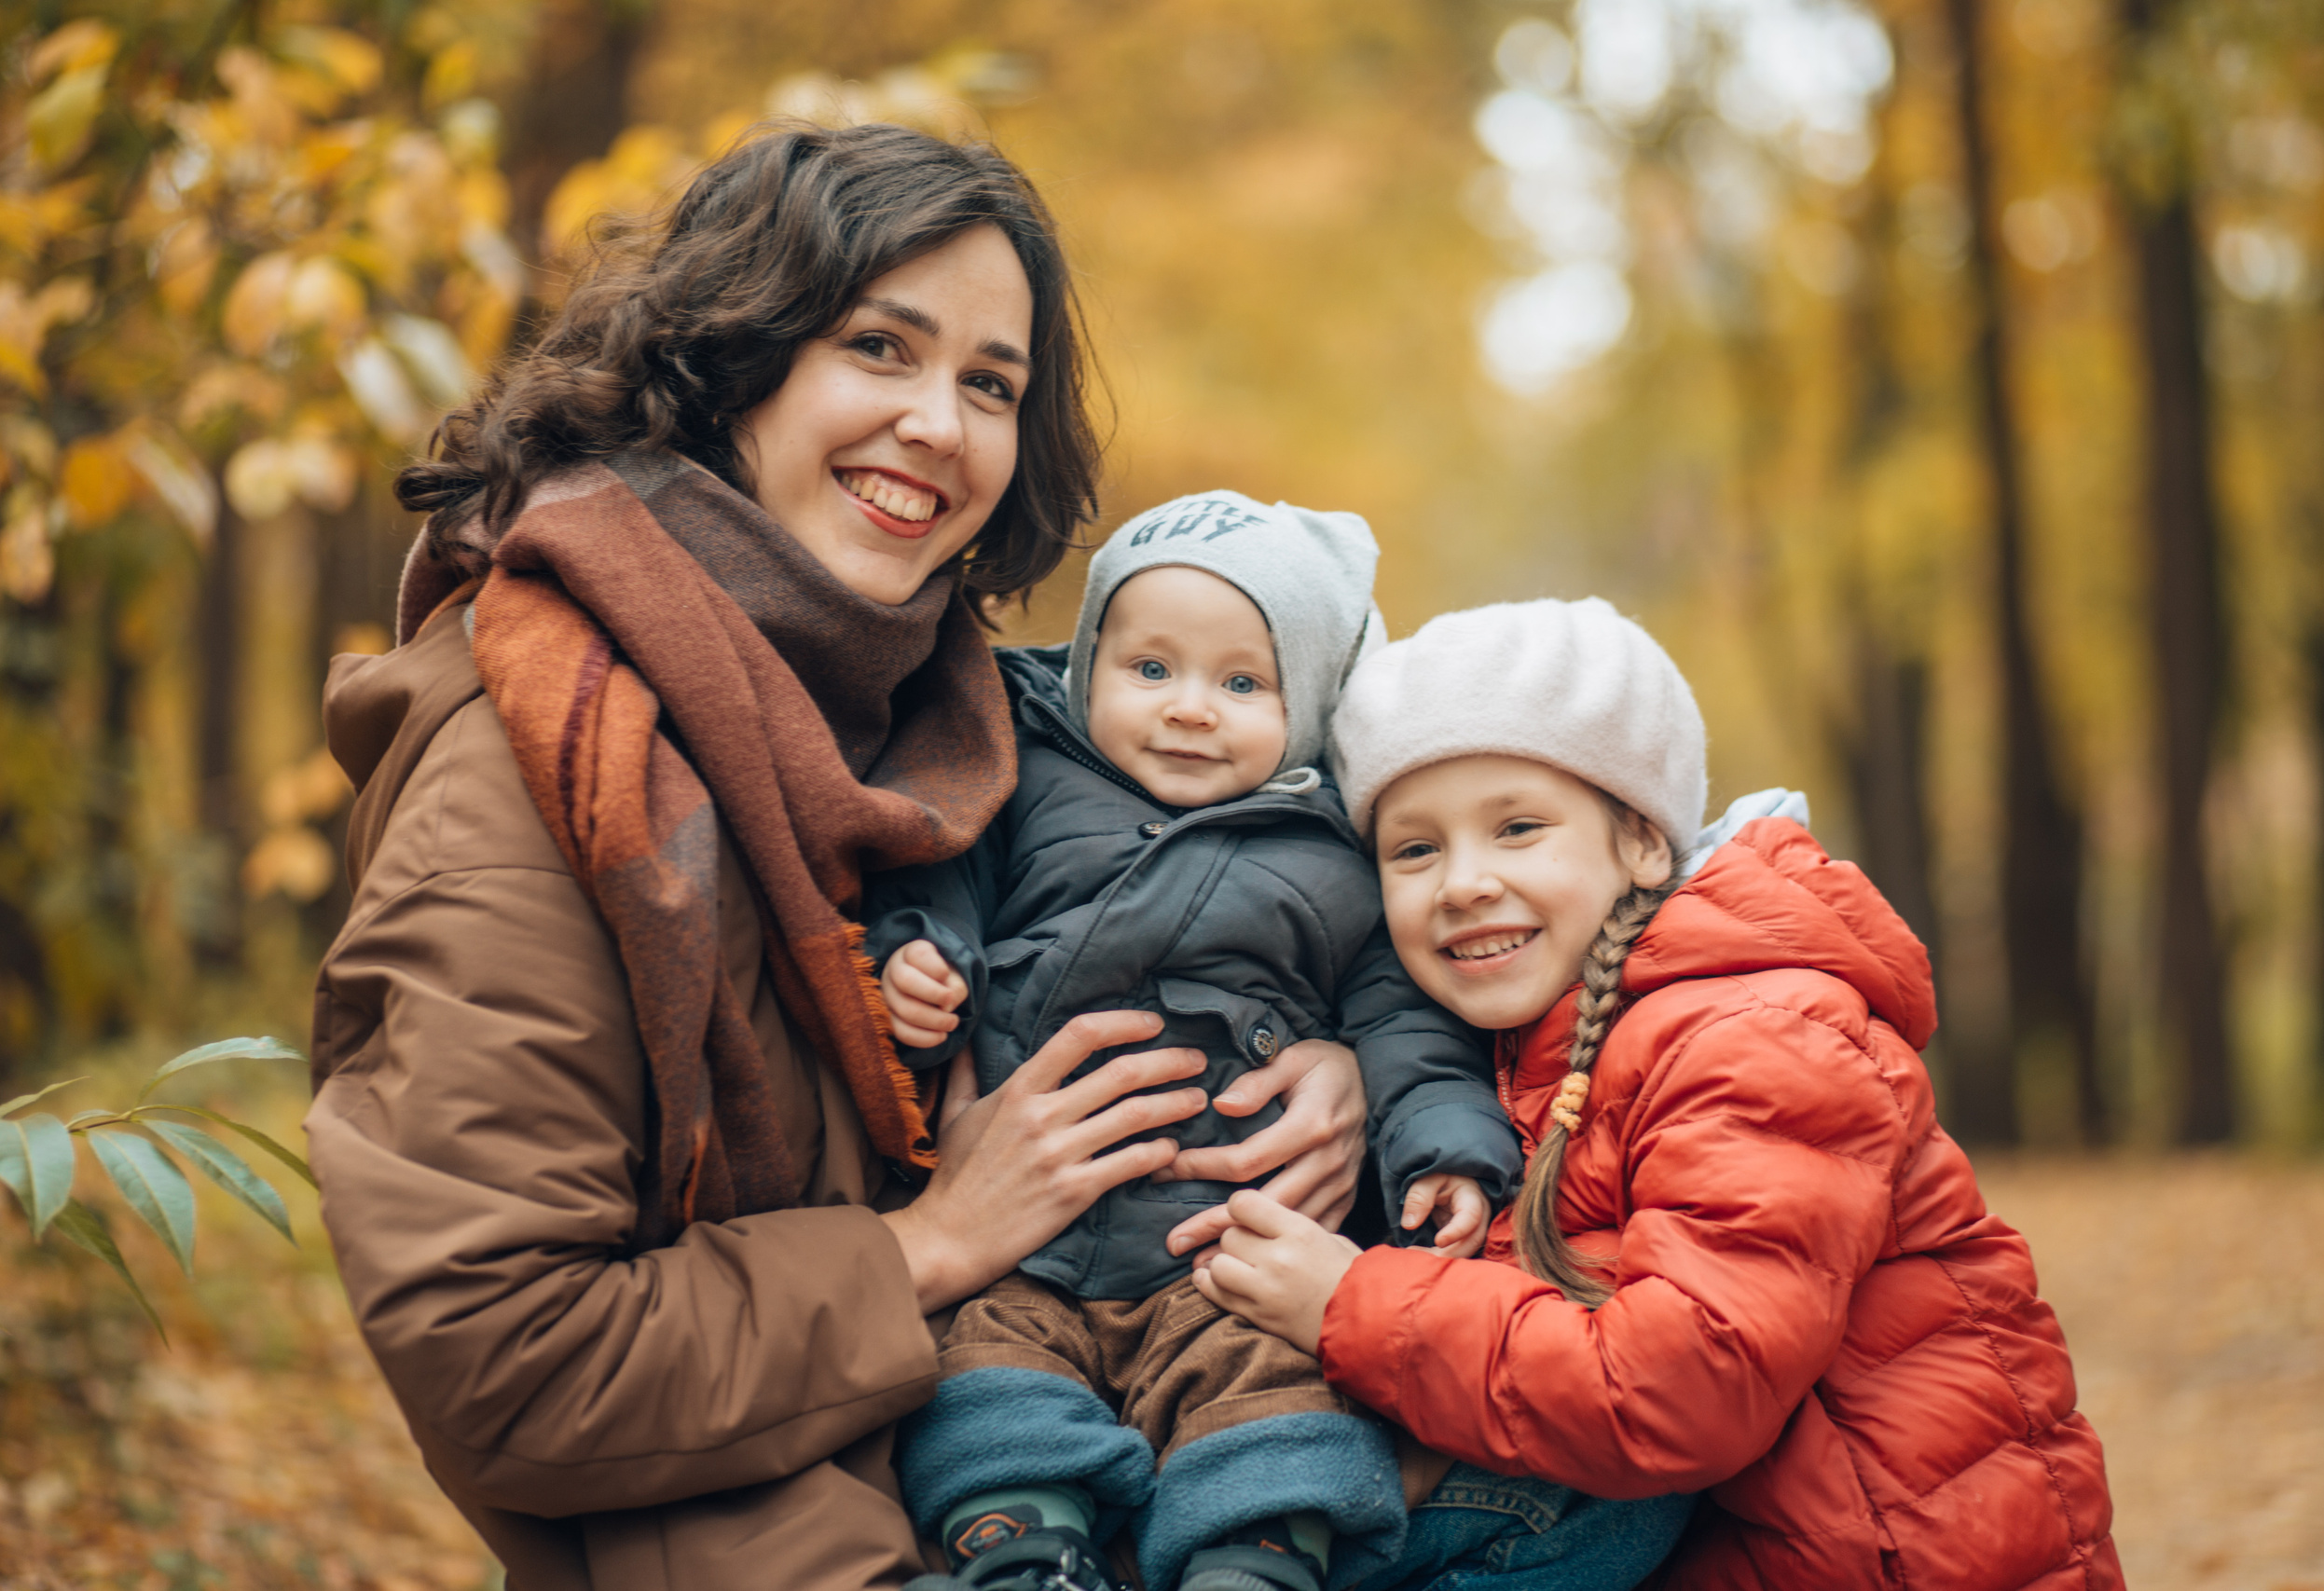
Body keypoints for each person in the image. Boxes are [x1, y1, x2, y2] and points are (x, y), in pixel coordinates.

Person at [304, 122, 1372, 1591]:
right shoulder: (532, 775)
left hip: (1027, 1449)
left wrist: (1316, 1063)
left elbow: (1190, 926)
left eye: (990, 383)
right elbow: (508, 1359)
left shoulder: (954, 730)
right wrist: (932, 1242)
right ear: (731, 360)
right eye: (880, 346)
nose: (940, 424)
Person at [1194, 597, 2124, 1591]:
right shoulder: (1506, 1048)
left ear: (1641, 842)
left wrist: (1350, 1304)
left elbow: (1684, 1387)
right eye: (1414, 849)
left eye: (1517, 828)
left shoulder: (1755, 1035)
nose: (1461, 883)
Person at [864, 492, 1525, 1591]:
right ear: (1088, 663)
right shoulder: (1025, 776)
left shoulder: (1334, 856)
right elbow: (940, 872)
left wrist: (1445, 1149)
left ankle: (1251, 1560)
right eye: (1150, 668)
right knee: (982, 1373)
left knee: (1279, 1391)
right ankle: (1023, 1550)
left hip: (1220, 1243)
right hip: (1025, 1237)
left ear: (1309, 708)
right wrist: (922, 956)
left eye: (1241, 685)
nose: (1188, 710)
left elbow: (1404, 1025)